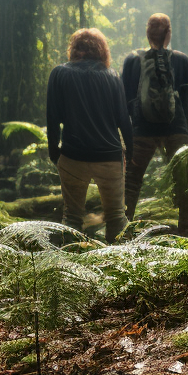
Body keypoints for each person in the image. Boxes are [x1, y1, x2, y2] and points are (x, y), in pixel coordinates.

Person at [47, 28, 134, 242]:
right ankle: (118, 266)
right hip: (109, 158)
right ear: (101, 51)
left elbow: (52, 118)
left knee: (72, 217)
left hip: (73, 156)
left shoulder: (59, 73)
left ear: (74, 50)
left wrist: (54, 153)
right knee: (116, 217)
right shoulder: (112, 76)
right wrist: (129, 153)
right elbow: (123, 119)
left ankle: (70, 266)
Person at [121, 13, 188, 236]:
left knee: (132, 184)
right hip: (176, 130)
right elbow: (185, 102)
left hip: (142, 131)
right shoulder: (181, 60)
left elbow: (126, 101)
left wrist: (130, 136)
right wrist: (186, 134)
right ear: (169, 34)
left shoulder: (133, 60)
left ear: (147, 33)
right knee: (184, 184)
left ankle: (122, 233)